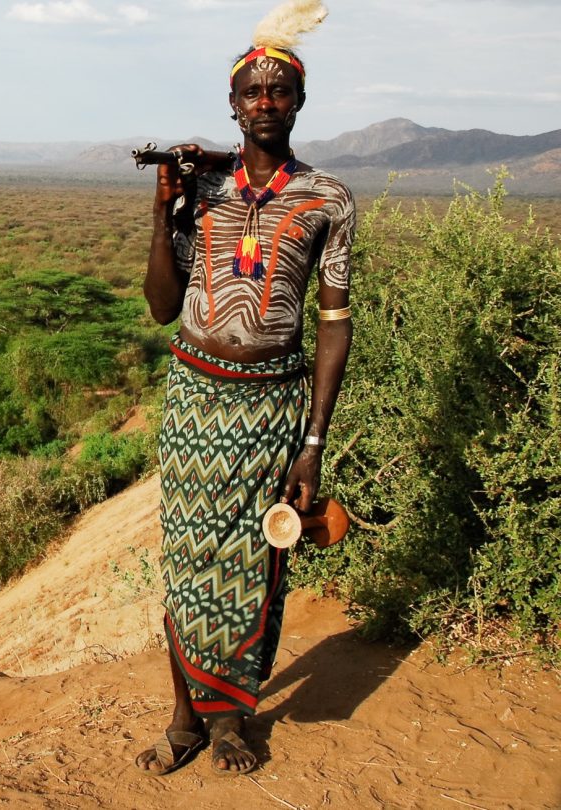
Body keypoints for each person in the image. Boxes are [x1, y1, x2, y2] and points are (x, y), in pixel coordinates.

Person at [134, 3, 354, 776]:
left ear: (299, 101)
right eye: (252, 91)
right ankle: (184, 717)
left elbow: (333, 324)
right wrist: (164, 212)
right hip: (196, 398)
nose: (265, 102)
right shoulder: (204, 188)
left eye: (279, 90)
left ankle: (234, 720)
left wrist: (314, 441)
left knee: (254, 561)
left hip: (273, 406)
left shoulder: (328, 199)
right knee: (188, 559)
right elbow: (162, 306)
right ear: (233, 104)